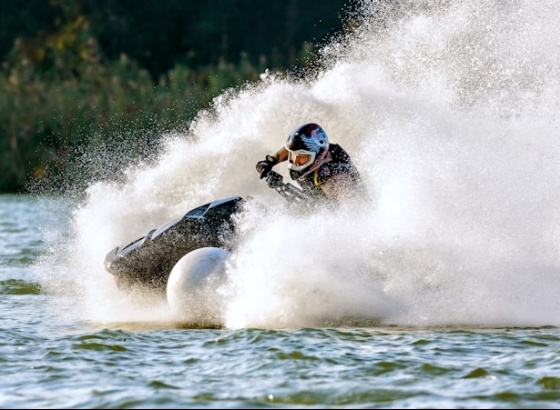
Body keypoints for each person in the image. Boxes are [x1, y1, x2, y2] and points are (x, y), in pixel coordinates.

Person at [255, 122, 367, 204]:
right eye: (293, 155)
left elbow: (354, 214)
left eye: (300, 157)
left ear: (316, 156)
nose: (295, 161)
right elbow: (290, 149)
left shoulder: (336, 179)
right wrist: (269, 162)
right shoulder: (318, 152)